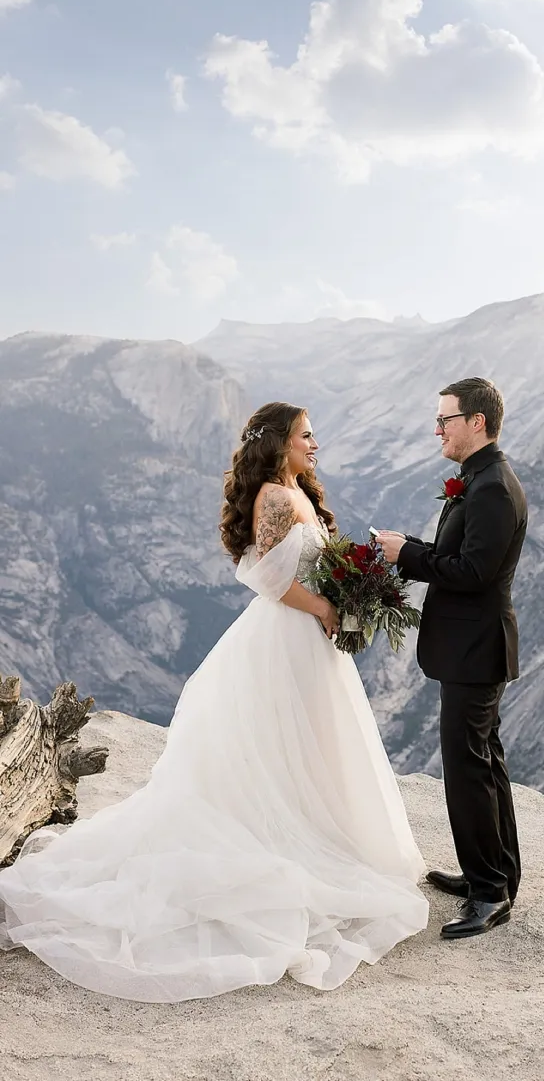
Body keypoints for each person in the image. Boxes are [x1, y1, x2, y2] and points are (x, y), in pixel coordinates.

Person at [0, 402, 428, 1001]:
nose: (316, 443)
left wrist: (347, 594)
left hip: (309, 643)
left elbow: (307, 568)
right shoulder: (276, 500)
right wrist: (332, 608)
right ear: (280, 443)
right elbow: (276, 582)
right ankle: (286, 842)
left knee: (312, 744)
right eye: (307, 435)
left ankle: (317, 834)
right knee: (283, 745)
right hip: (286, 640)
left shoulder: (295, 490)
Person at [378, 378, 527, 940]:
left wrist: (408, 556)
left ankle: (489, 893)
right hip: (473, 646)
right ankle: (495, 875)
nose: (437, 429)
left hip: (475, 648)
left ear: (477, 423)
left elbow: (474, 573)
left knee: (468, 769)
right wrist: (410, 547)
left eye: (445, 419)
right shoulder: (480, 480)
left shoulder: (490, 487)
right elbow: (461, 556)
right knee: (484, 761)